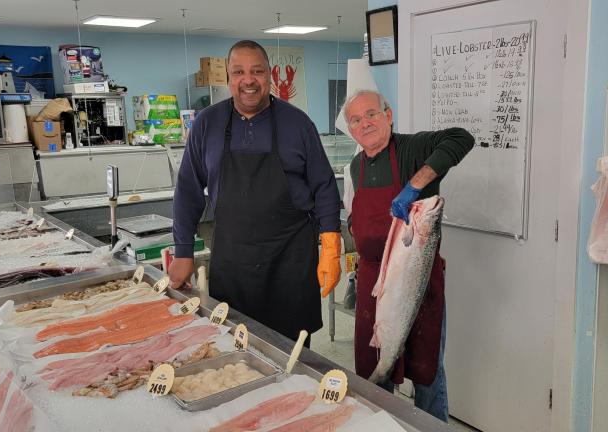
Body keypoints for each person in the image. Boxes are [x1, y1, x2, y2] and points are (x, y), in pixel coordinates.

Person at [169, 40, 342, 345]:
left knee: (293, 356)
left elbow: (324, 186)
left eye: (257, 71)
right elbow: (187, 191)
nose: (248, 80)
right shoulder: (207, 124)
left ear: (270, 76)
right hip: (233, 261)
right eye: (239, 72)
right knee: (233, 349)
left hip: (290, 261)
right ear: (228, 79)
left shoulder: (297, 123)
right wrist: (183, 250)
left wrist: (330, 243)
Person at [344, 89, 474, 422]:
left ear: (389, 114)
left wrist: (415, 185)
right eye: (356, 120)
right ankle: (382, 425)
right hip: (372, 282)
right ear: (350, 128)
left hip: (416, 280)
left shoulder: (411, 148)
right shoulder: (356, 165)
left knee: (426, 370)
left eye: (372, 114)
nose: (365, 124)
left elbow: (461, 138)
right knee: (375, 368)